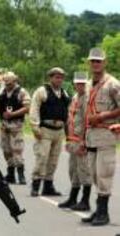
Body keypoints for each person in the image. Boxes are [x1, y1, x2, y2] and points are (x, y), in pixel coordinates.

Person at [81, 48, 120, 226]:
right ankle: (98, 210)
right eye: (93, 61)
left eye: (99, 61)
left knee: (104, 174)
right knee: (95, 175)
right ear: (89, 63)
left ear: (105, 63)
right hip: (91, 136)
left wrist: (103, 116)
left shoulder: (113, 84)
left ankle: (103, 213)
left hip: (106, 134)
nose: (95, 64)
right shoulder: (88, 85)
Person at [29, 67, 71, 197]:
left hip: (59, 131)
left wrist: (68, 134)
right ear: (50, 77)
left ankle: (48, 186)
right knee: (42, 157)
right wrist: (35, 127)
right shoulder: (42, 91)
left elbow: (67, 114)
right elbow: (34, 108)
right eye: (56, 77)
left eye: (61, 77)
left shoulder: (64, 93)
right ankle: (36, 185)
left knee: (53, 160)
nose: (59, 79)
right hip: (45, 130)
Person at [0, 71, 30, 185]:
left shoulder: (22, 92)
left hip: (16, 124)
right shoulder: (2, 92)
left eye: (9, 83)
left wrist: (13, 114)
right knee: (6, 150)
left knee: (17, 149)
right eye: (5, 83)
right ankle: (10, 174)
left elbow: (27, 108)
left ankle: (21, 174)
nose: (7, 85)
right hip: (4, 125)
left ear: (15, 81)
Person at [58, 72, 92, 211]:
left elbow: (88, 122)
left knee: (84, 171)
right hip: (72, 139)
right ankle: (73, 198)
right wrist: (67, 139)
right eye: (77, 83)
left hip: (81, 140)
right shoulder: (75, 98)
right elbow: (70, 120)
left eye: (82, 83)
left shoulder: (87, 99)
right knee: (73, 171)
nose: (80, 85)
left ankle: (85, 201)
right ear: (74, 83)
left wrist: (85, 141)